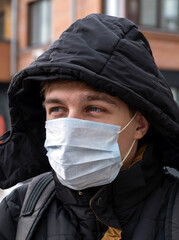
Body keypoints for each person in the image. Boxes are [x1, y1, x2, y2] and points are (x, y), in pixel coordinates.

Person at [0, 13, 179, 240]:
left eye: (94, 108)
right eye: (57, 109)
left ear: (140, 125)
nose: (71, 125)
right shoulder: (17, 212)